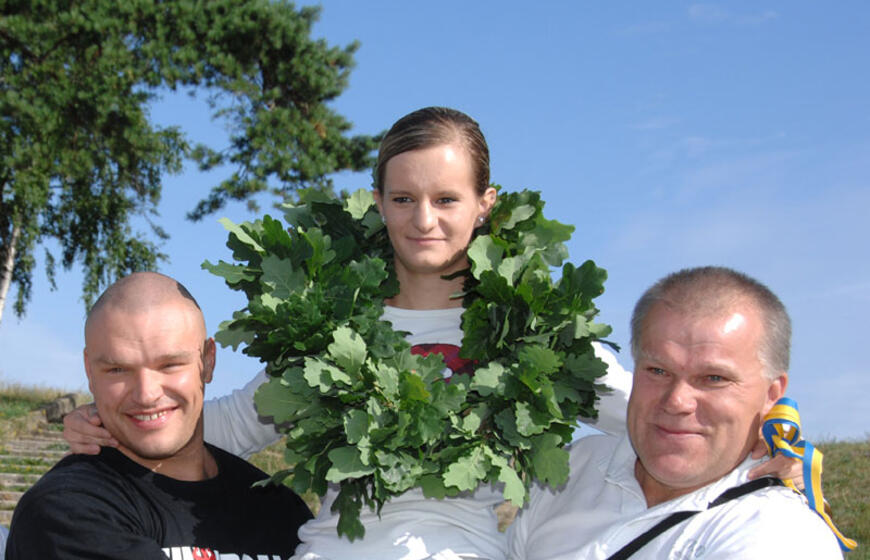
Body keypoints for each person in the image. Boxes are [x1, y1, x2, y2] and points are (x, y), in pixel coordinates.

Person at [62, 109, 799, 560]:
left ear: (485, 204)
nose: (424, 220)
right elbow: (225, 427)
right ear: (377, 204)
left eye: (447, 198)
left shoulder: (535, 337)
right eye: (404, 197)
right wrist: (104, 421)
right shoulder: (332, 330)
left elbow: (658, 411)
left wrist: (780, 444)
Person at [508, 266, 842, 560]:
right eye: (658, 371)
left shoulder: (777, 536)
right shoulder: (572, 471)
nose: (677, 400)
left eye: (714, 378)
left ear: (772, 394)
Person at [6, 272, 312, 559]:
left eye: (169, 365)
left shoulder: (278, 507)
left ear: (208, 361)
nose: (146, 394)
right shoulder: (65, 511)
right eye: (117, 370)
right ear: (89, 370)